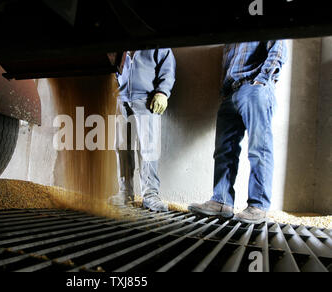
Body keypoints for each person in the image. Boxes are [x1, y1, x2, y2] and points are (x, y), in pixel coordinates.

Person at [189, 41, 288, 224]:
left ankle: (258, 206)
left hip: (254, 88)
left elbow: (279, 48)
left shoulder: (263, 22)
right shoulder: (231, 38)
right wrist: (225, 94)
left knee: (259, 148)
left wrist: (261, 80)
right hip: (230, 93)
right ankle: (221, 202)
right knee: (223, 151)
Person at [110, 49, 176, 212]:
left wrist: (162, 92)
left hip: (147, 99)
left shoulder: (159, 46)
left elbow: (168, 68)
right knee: (122, 147)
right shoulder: (121, 46)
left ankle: (150, 195)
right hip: (122, 100)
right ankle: (126, 192)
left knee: (149, 149)